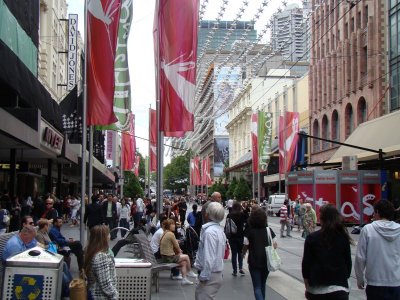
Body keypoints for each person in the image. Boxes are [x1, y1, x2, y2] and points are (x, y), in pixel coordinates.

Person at [302, 204, 352, 300]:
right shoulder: (343, 237)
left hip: (316, 290)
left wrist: (307, 285)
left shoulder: (312, 238)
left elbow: (306, 264)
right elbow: (348, 263)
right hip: (339, 289)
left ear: (321, 219)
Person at [355, 200, 400, 300]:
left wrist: (359, 278)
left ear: (378, 212)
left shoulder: (368, 229)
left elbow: (360, 257)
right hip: (396, 281)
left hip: (375, 282)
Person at [242, 207, 277, 300]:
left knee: (257, 286)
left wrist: (243, 254)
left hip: (254, 260)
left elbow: (245, 244)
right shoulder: (269, 230)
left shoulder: (250, 231)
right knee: (262, 284)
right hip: (267, 261)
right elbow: (275, 245)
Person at [194, 202, 226, 299]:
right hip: (215, 273)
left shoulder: (209, 232)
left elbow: (209, 256)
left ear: (207, 214)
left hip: (210, 275)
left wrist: (204, 276)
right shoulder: (219, 231)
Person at [84, 225, 118, 300]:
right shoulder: (101, 256)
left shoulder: (91, 251)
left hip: (94, 293)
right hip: (101, 296)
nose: (109, 236)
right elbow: (105, 284)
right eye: (108, 234)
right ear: (103, 237)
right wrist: (114, 296)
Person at [160, 218, 197, 285]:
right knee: (186, 256)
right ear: (169, 226)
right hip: (169, 258)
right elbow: (177, 247)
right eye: (172, 224)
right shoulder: (171, 234)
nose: (174, 226)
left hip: (164, 257)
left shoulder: (165, 232)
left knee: (184, 262)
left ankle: (184, 279)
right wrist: (180, 251)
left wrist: (179, 250)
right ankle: (189, 272)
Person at [226, 201, 247, 276]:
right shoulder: (242, 215)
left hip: (232, 237)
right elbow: (247, 220)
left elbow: (227, 226)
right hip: (240, 236)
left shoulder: (229, 215)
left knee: (234, 254)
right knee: (240, 252)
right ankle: (241, 268)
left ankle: (234, 270)